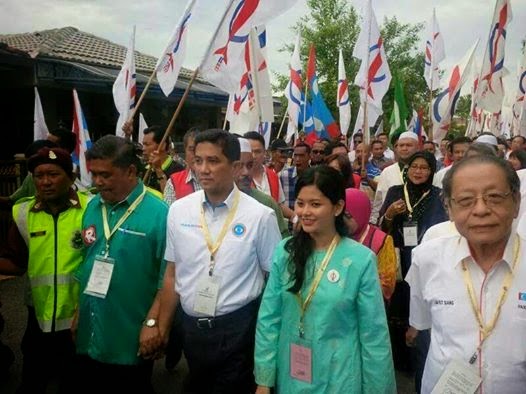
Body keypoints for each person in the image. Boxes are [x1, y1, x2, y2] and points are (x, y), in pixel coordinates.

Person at [158, 129, 281, 393]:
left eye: (213, 161)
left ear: (236, 167)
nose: (203, 169)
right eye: (198, 160)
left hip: (238, 328)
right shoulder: (179, 211)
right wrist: (161, 325)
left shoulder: (261, 216)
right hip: (191, 328)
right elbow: (172, 272)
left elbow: (275, 281)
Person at [254, 166, 395, 394]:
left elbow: (373, 335)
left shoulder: (360, 260)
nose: (305, 211)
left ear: (337, 207)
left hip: (339, 377)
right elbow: (269, 318)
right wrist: (264, 379)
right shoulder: (285, 251)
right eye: (300, 203)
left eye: (316, 204)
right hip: (291, 373)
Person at [406, 155, 526, 393]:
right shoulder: (426, 258)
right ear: (448, 208)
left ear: (516, 202)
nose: (481, 210)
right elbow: (423, 322)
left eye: (494, 197)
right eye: (465, 200)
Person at [74, 135, 168, 392]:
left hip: (129, 337)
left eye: (105, 175)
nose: (97, 182)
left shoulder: (160, 214)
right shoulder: (93, 207)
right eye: (94, 174)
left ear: (130, 171)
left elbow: (167, 278)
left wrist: (152, 324)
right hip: (90, 332)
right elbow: (87, 261)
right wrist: (79, 312)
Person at [0, 147, 89, 393]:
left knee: (75, 383)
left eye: (53, 174)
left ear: (71, 178)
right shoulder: (23, 213)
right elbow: (16, 264)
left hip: (78, 320)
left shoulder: (91, 209)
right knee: (32, 382)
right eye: (39, 176)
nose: (45, 182)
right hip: (38, 320)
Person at [379, 151, 448, 391]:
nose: (418, 172)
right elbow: (381, 227)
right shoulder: (396, 192)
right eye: (414, 167)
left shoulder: (438, 196)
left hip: (428, 260)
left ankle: (419, 355)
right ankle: (399, 361)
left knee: (421, 304)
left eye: (424, 168)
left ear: (432, 171)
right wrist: (389, 215)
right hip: (400, 259)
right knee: (399, 305)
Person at [345, 188, 397, 301]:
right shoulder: (334, 236)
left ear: (361, 214)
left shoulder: (381, 241)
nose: (342, 221)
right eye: (339, 216)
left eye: (348, 216)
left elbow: (387, 286)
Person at [236, 137, 289, 237]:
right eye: (239, 166)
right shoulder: (203, 203)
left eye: (249, 165)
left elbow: (283, 244)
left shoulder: (267, 203)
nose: (246, 172)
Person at [371, 131, 419, 224]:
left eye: (408, 145)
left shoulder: (425, 172)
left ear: (417, 148)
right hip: (392, 226)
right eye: (401, 145)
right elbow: (378, 203)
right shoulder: (387, 172)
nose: (404, 148)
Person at [164, 127, 202, 206]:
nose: (196, 154)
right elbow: (169, 216)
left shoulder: (219, 180)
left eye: (200, 149)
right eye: (191, 149)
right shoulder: (173, 183)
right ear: (185, 151)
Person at [142, 125, 185, 192]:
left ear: (162, 145)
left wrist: (158, 170)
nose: (143, 148)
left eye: (147, 145)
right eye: (143, 145)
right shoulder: (144, 168)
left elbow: (171, 199)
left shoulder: (178, 170)